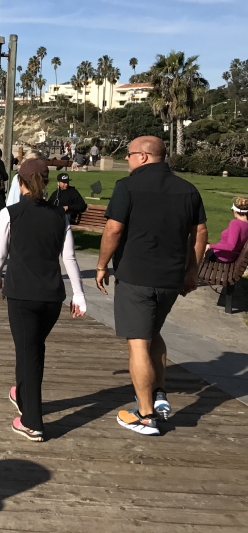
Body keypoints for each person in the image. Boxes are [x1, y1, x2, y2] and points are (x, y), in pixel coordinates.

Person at [95, 136, 208, 437]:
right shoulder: (188, 189)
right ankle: (159, 394)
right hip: (171, 278)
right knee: (153, 332)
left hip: (136, 276)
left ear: (143, 157)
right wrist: (192, 271)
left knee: (138, 343)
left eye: (130, 155)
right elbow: (200, 232)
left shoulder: (127, 186)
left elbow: (114, 228)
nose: (128, 160)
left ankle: (145, 416)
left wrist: (101, 264)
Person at [0, 158, 87, 441]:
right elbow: (68, 257)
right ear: (46, 184)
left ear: (20, 184)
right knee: (31, 348)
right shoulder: (60, 215)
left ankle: (33, 422)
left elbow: (0, 252)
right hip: (51, 298)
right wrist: (79, 295)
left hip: (21, 296)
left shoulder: (10, 213)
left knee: (29, 353)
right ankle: (21, 394)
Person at [205, 196, 248, 262]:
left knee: (194, 246)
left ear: (235, 211)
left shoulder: (235, 223)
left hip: (221, 256)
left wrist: (210, 246)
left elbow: (231, 246)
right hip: (232, 257)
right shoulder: (246, 224)